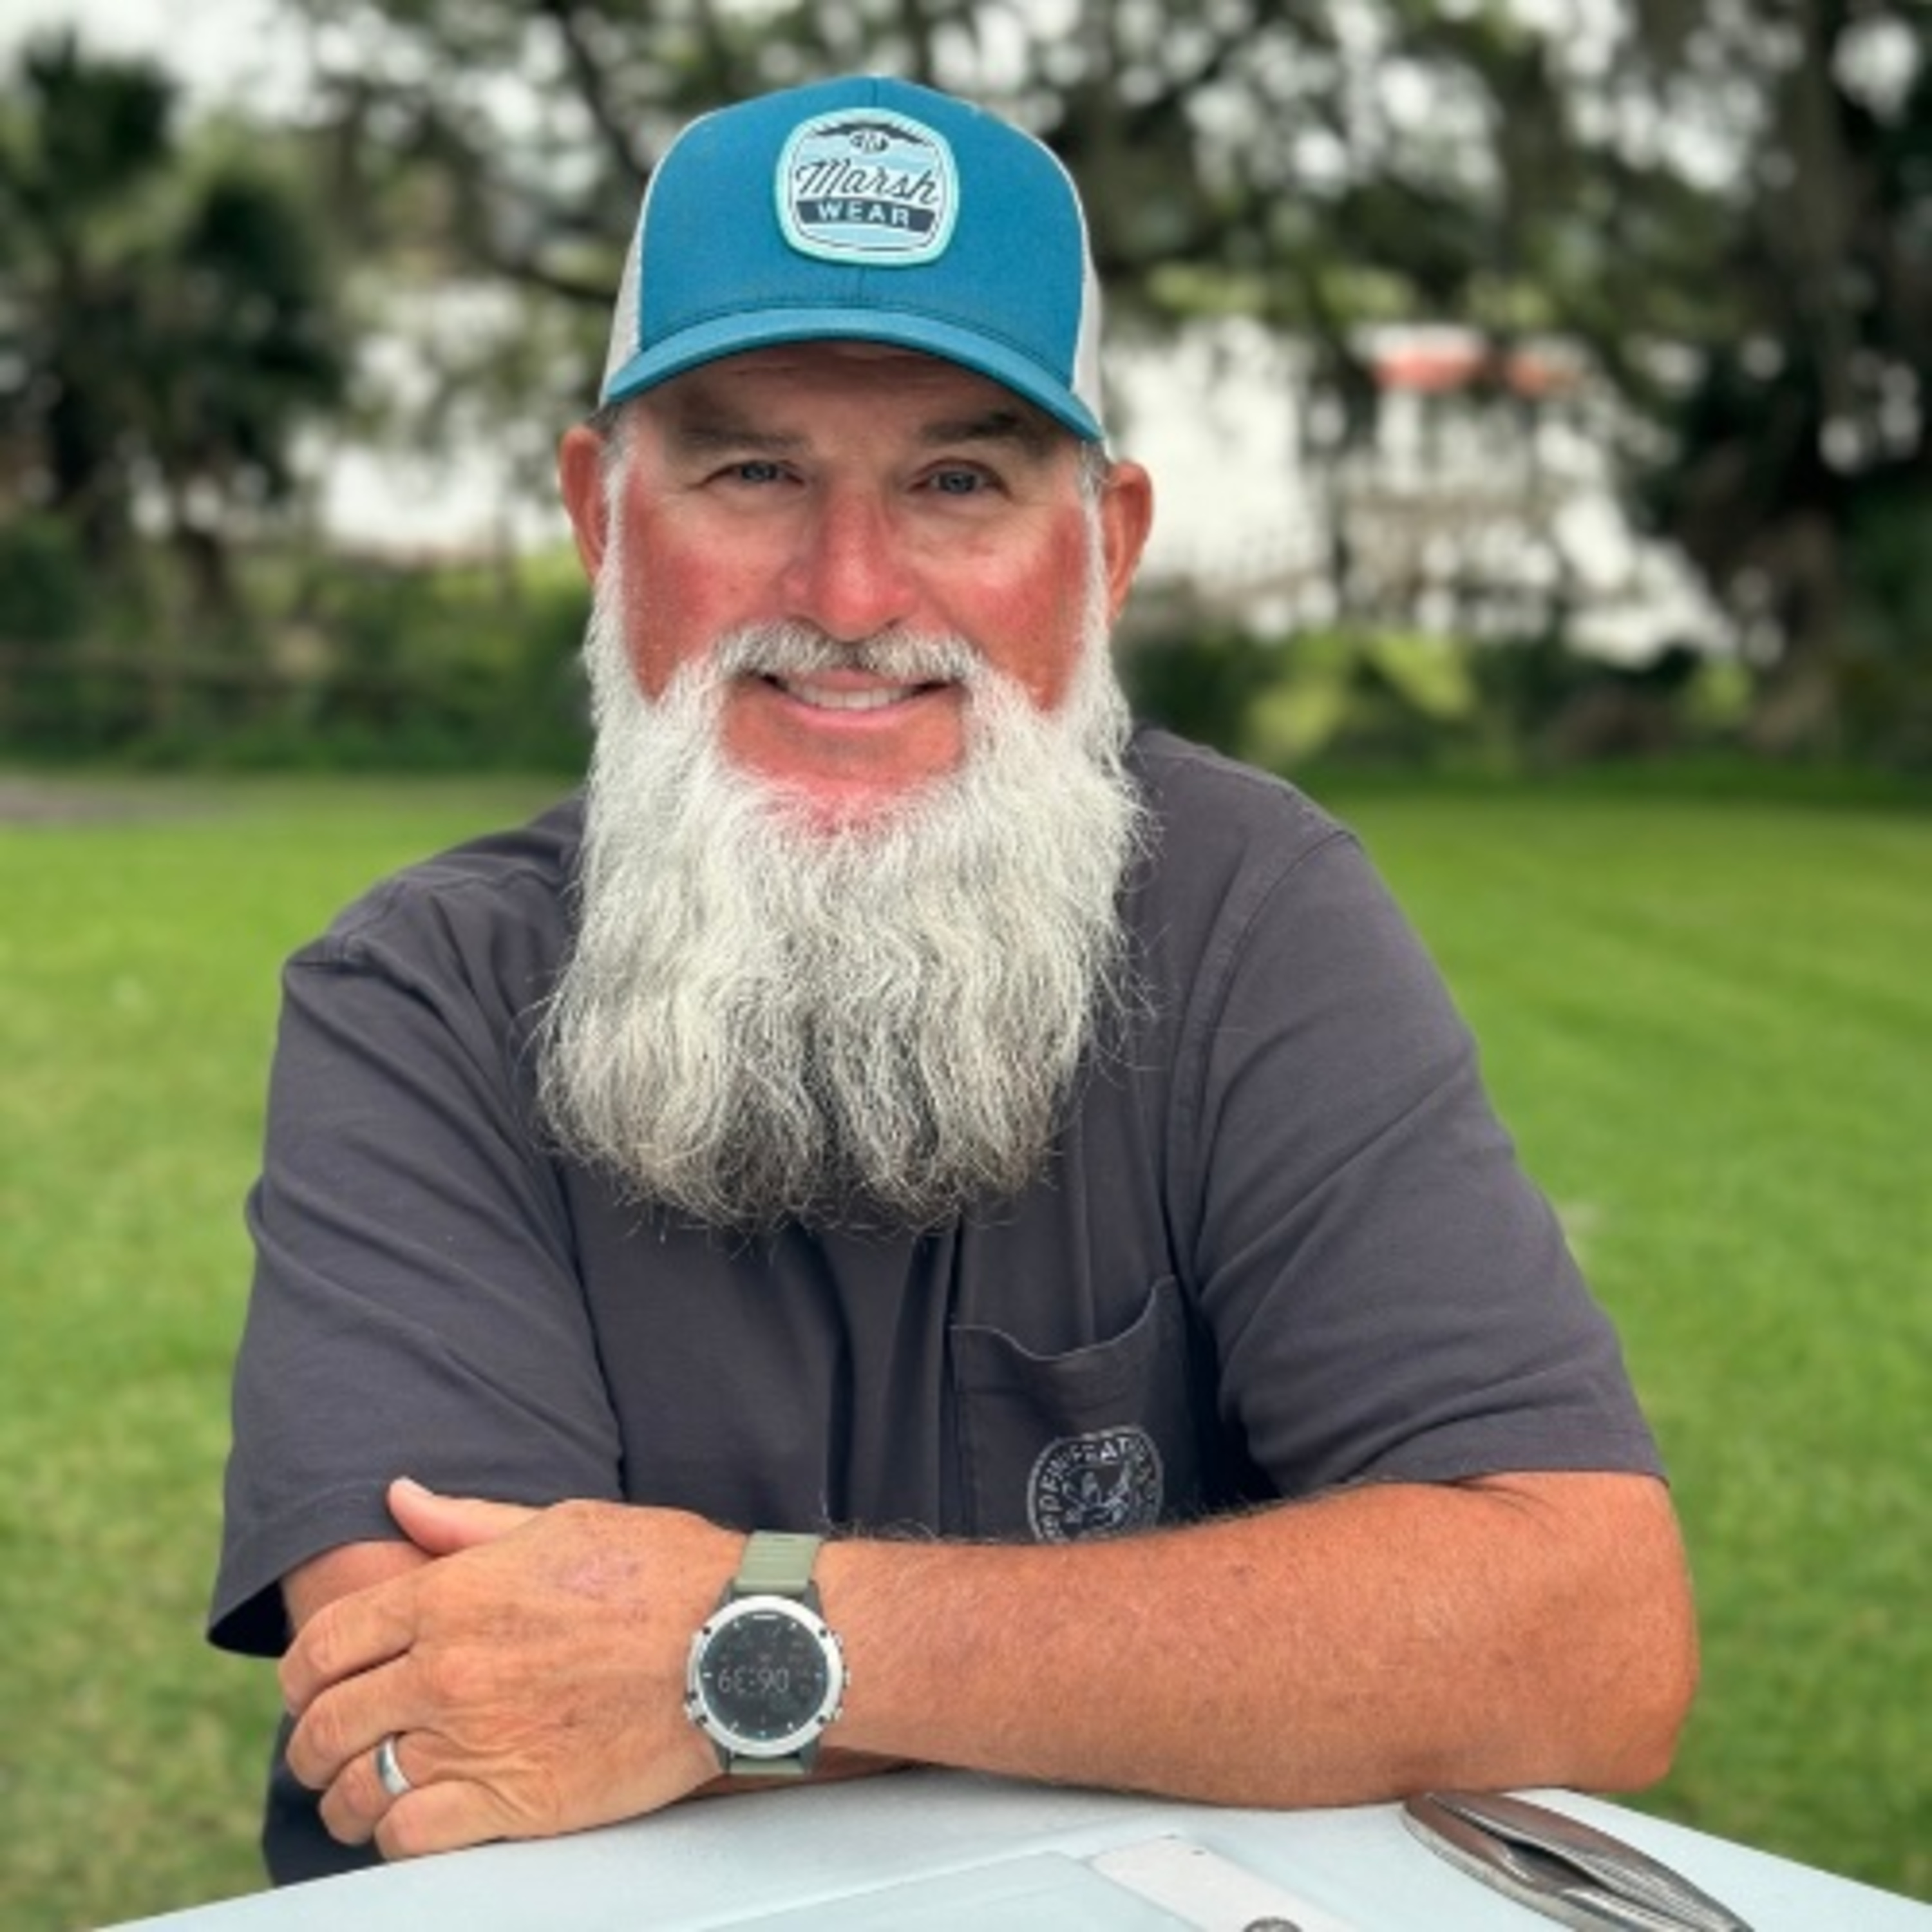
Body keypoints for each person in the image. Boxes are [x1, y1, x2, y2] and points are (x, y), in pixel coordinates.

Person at [209, 73, 1698, 1882]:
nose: (850, 596)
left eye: (960, 480)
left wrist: (736, 1651)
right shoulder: (423, 998)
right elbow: (454, 1718)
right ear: (603, 518)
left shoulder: (1251, 914)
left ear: (1106, 549)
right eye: (752, 471)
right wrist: (1240, 1661)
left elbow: (1582, 1632)